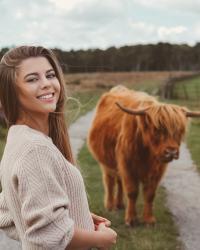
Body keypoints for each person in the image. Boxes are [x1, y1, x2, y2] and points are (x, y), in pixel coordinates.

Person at [0, 46, 117, 250]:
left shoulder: (18, 138)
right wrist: (102, 239)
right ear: (11, 90)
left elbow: (7, 212)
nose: (46, 84)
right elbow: (48, 236)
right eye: (32, 79)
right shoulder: (36, 150)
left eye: (50, 75)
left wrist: (73, 215)